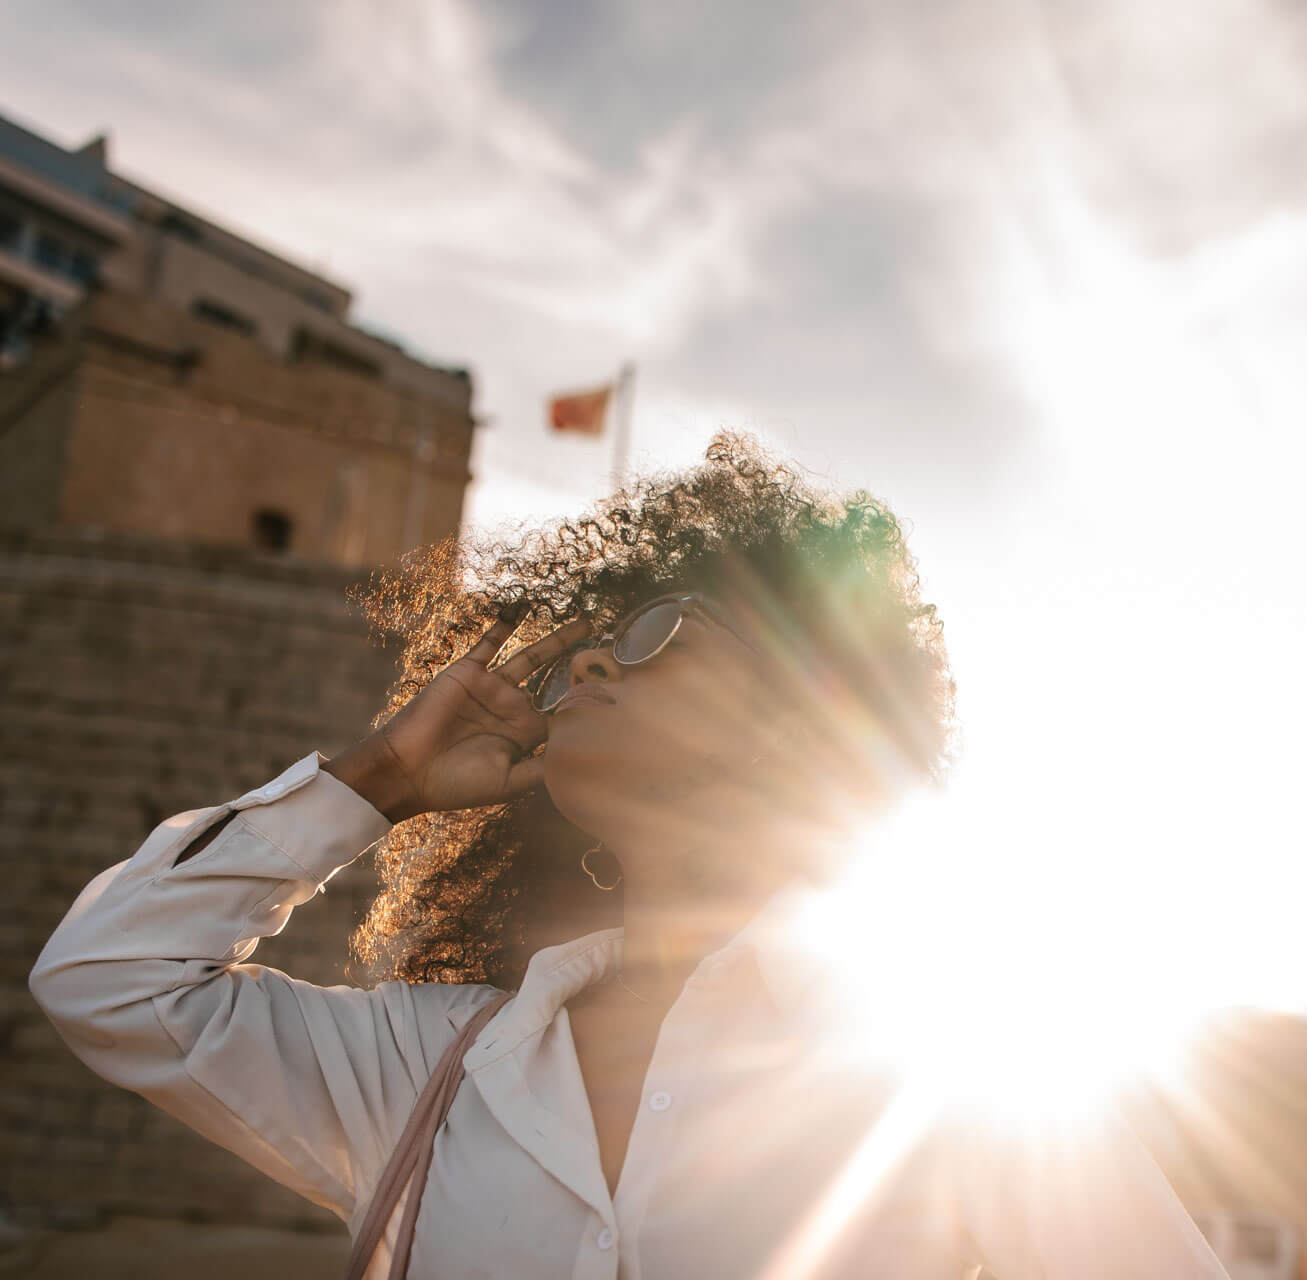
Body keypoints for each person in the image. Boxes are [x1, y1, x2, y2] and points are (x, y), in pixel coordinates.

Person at [30, 434, 1227, 1277]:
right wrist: (381, 779)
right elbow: (112, 980)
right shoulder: (436, 1060)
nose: (592, 664)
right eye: (580, 654)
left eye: (661, 631)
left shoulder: (952, 1065)